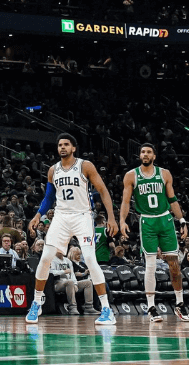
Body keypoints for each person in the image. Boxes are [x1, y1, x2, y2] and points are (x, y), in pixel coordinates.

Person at [26, 133, 118, 325]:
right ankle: (36, 303)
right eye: (60, 145)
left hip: (82, 216)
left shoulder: (85, 166)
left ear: (73, 148)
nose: (62, 147)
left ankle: (106, 309)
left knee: (91, 260)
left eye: (66, 144)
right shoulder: (53, 170)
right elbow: (48, 198)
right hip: (61, 216)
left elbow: (102, 190)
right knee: (44, 258)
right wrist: (37, 216)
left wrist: (111, 217)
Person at [119, 143, 189, 323]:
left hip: (166, 219)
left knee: (174, 264)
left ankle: (180, 304)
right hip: (147, 221)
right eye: (142, 152)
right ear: (139, 155)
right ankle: (151, 307)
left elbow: (172, 199)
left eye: (149, 152)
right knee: (150, 265)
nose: (145, 154)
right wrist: (122, 221)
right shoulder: (131, 176)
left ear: (154, 156)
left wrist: (182, 220)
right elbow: (126, 201)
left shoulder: (164, 173)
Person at [51, 246, 94, 314]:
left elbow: (72, 275)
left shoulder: (68, 261)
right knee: (69, 282)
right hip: (57, 283)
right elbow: (51, 272)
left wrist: (76, 284)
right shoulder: (52, 260)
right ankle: (72, 307)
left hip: (70, 283)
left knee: (88, 283)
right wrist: (63, 272)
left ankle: (88, 307)